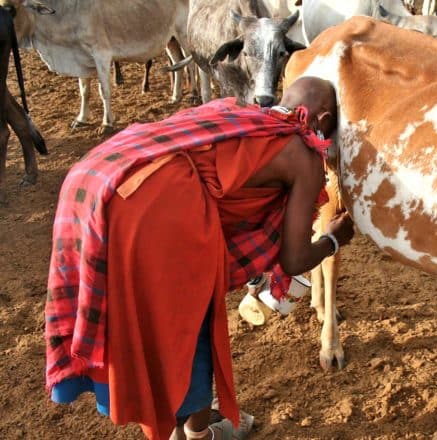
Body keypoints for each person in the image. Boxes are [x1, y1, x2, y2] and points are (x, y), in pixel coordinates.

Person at [44, 76, 354, 440]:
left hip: (96, 177)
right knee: (186, 322)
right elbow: (294, 258)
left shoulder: (234, 111)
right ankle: (196, 432)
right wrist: (333, 240)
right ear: (324, 119)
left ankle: (188, 424)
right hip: (153, 212)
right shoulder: (303, 152)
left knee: (156, 318)